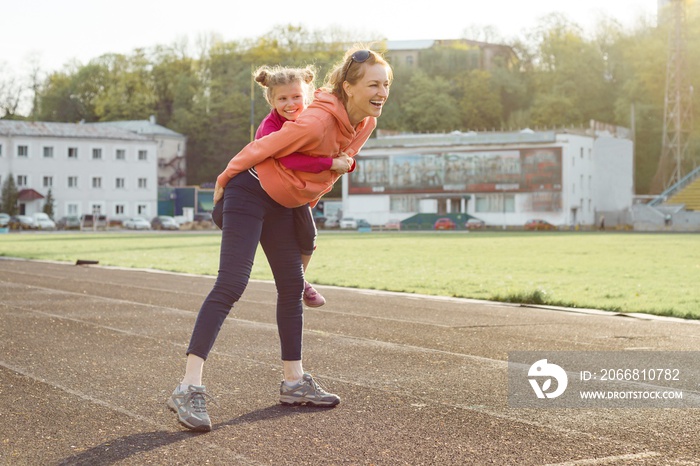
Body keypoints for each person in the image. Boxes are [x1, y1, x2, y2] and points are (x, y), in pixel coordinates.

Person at [168, 46, 392, 432]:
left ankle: (294, 382)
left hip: (284, 201)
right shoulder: (315, 122)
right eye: (373, 84)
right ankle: (187, 387)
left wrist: (309, 195)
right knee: (232, 283)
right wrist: (222, 183)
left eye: (386, 84)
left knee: (291, 287)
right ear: (348, 87)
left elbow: (335, 169)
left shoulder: (365, 124)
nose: (382, 92)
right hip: (249, 190)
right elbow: (259, 149)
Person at [212, 64, 347, 307]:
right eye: (282, 98)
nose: (290, 103)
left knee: (308, 234)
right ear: (271, 101)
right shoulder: (269, 128)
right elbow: (288, 158)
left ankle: (302, 280)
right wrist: (330, 163)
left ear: (306, 96)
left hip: (294, 189)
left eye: (296, 97)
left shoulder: (311, 119)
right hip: (269, 190)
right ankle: (300, 282)